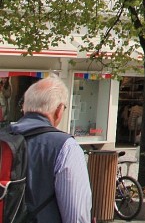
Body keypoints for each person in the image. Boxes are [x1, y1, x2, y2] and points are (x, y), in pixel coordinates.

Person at [9, 77, 92, 223]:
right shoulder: (66, 147)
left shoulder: (4, 137)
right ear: (59, 110)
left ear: (25, 107)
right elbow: (76, 216)